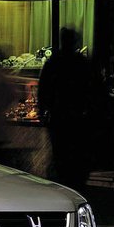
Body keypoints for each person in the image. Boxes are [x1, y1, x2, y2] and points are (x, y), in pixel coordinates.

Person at [37, 27, 95, 190]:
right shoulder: (82, 63)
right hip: (77, 118)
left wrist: (43, 112)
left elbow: (43, 91)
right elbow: (92, 89)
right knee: (76, 155)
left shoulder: (53, 63)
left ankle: (63, 185)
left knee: (60, 154)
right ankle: (75, 185)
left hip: (59, 117)